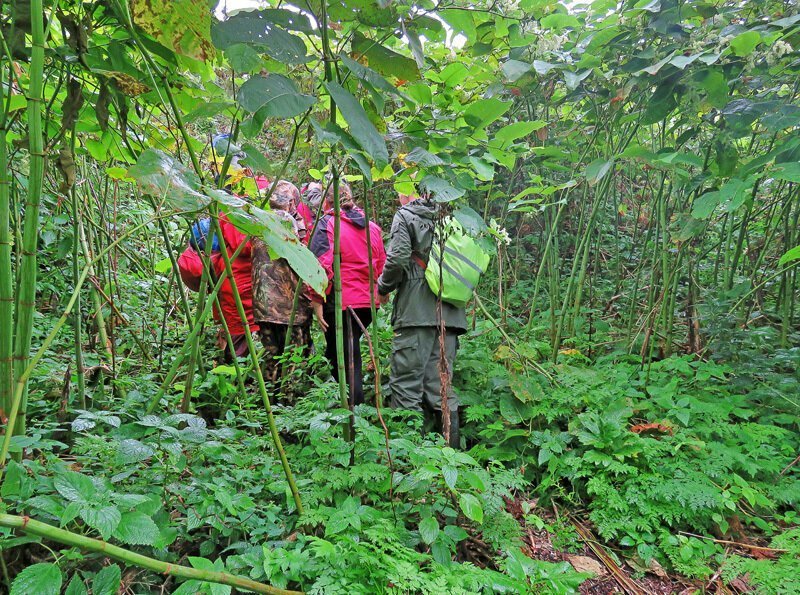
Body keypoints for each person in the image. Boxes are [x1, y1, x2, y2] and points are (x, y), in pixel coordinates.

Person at [377, 189, 466, 448]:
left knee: (406, 386)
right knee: (441, 388)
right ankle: (452, 457)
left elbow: (397, 259)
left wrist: (383, 287)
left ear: (407, 192)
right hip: (451, 313)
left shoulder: (406, 216)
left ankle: (407, 459)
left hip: (416, 312)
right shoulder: (454, 217)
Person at [309, 183, 386, 406]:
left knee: (346, 357)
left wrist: (316, 299)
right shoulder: (372, 227)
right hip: (368, 302)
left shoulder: (327, 224)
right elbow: (381, 262)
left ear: (326, 202)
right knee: (343, 351)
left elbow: (321, 265)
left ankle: (354, 409)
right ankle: (350, 405)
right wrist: (382, 292)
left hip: (342, 302)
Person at [251, 184, 312, 398]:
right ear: (291, 202)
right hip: (288, 306)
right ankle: (289, 401)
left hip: (262, 303)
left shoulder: (258, 221)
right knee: (293, 356)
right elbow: (298, 257)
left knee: (271, 355)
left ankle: (269, 401)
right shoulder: (285, 221)